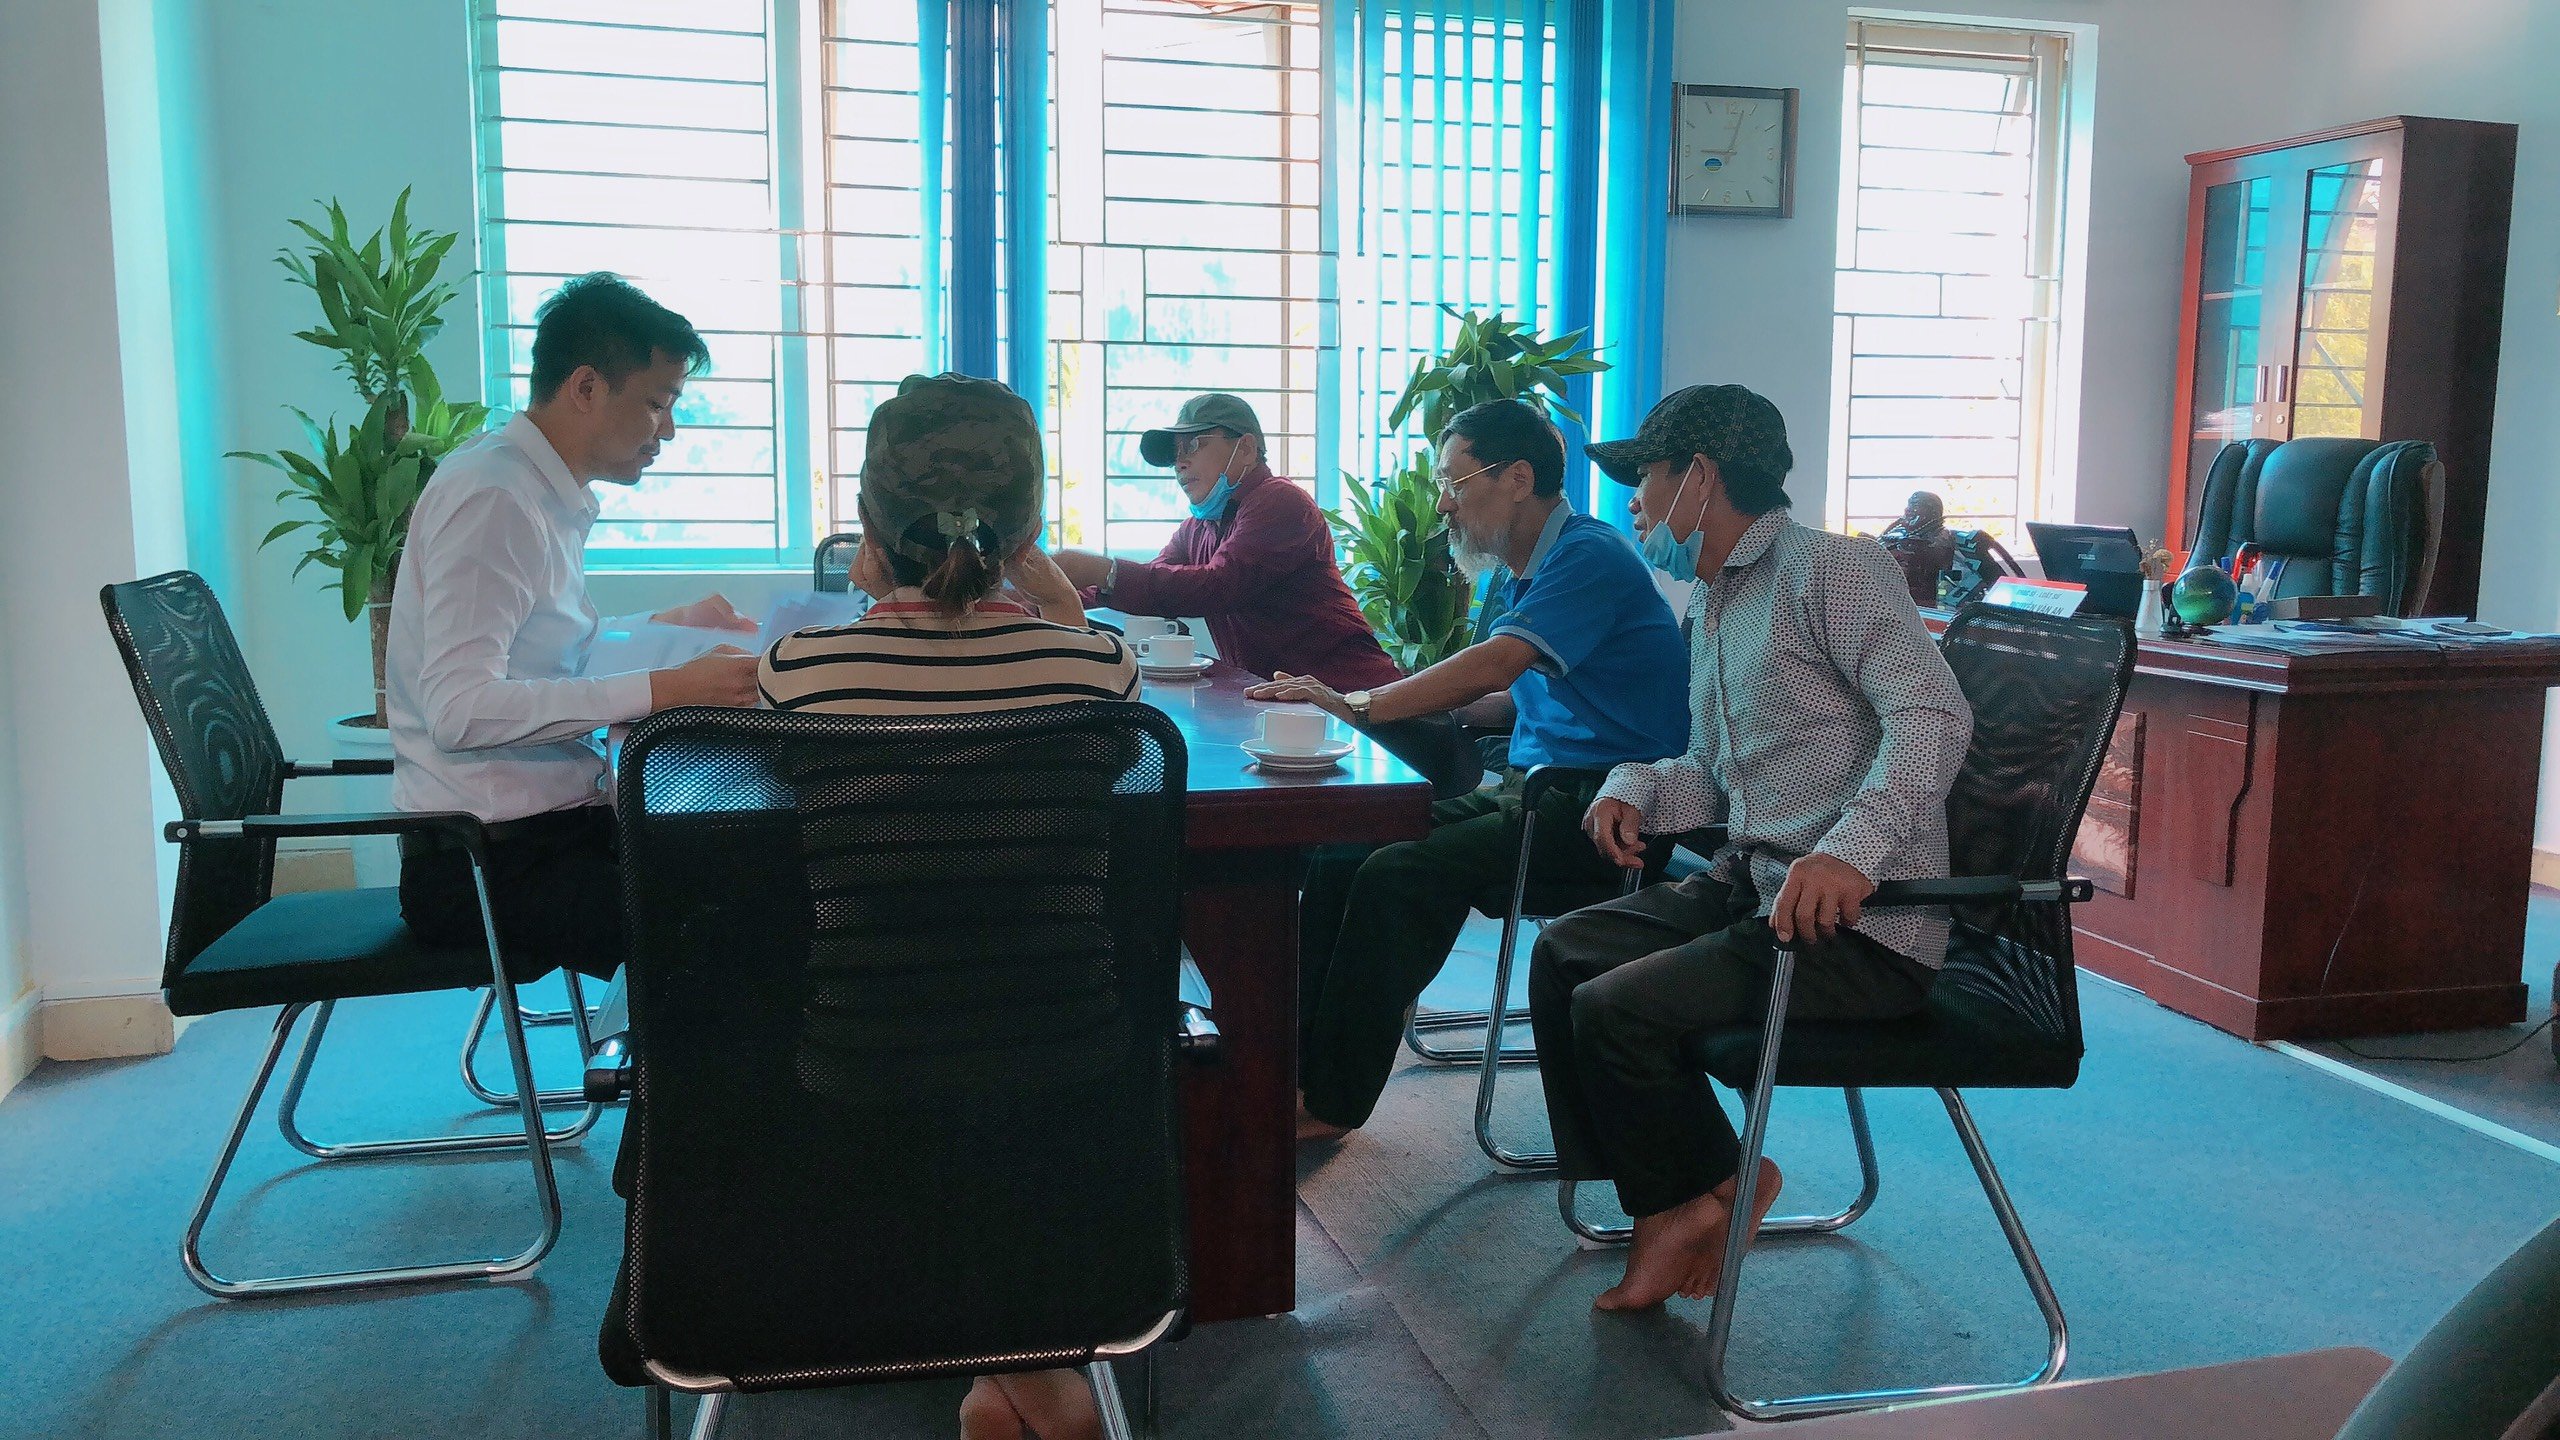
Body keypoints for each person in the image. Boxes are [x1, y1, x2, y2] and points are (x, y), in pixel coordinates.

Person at [1528, 384, 1972, 1311]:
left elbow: (1932, 715)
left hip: (1858, 926)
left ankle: (1679, 1204)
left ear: (1699, 475)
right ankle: (1696, 1189)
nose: (1634, 502)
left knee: (1615, 1009)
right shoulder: (1714, 598)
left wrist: (1851, 851)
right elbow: (1714, 774)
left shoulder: (1832, 570)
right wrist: (1636, 785)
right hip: (1755, 887)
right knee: (1566, 953)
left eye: (1646, 477)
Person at [753, 372, 1129, 1440]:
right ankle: (1024, 1370)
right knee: (998, 1105)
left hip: (868, 1054)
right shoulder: (1096, 670)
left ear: (868, 526)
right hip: (1061, 1047)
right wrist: (1049, 598)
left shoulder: (801, 671)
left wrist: (880, 591)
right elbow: (1095, 703)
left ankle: (1008, 1373)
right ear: (1028, 532)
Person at [1245, 399, 1689, 1138]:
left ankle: (1331, 1101)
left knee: (1399, 872)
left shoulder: (1589, 555)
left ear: (1518, 478)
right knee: (1341, 850)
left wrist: (1362, 703)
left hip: (1615, 812)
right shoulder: (1522, 571)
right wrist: (1408, 711)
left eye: (1454, 482)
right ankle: (1290, 1068)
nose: (1444, 503)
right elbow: (1509, 697)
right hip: (1539, 791)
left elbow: (1495, 666)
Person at [391, 272, 762, 980]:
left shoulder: (532, 489)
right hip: (488, 866)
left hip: (545, 837)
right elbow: (460, 710)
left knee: (747, 866)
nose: (669, 430)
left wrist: (667, 624)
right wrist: (665, 689)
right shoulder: (496, 498)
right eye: (657, 404)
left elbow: (552, 650)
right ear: (586, 387)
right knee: (731, 923)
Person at [1051, 392, 1400, 694]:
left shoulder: (1279, 501)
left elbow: (1218, 585)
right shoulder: (1198, 528)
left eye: (1193, 444)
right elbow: (1155, 587)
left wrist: (1104, 571)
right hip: (1293, 702)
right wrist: (1051, 594)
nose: (1180, 463)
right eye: (1175, 453)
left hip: (1357, 698)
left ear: (1245, 448)